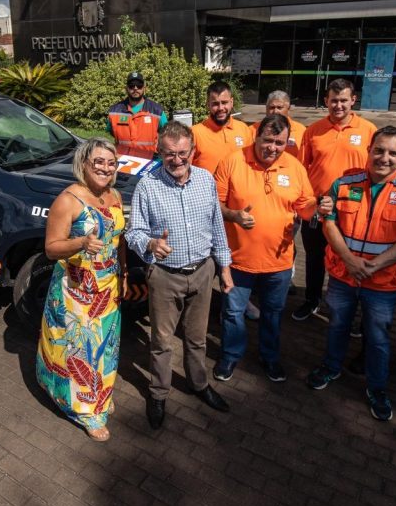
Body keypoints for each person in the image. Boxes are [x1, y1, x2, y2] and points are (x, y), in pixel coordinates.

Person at [306, 126, 396, 421]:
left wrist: (374, 265)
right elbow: (329, 223)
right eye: (379, 150)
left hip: (382, 283)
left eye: (392, 153)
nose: (384, 158)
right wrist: (349, 260)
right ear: (369, 150)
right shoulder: (345, 184)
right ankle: (331, 367)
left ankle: (377, 388)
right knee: (337, 326)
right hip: (342, 276)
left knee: (377, 337)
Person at [125, 121, 234, 430]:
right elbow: (134, 231)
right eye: (169, 153)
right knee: (161, 342)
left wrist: (224, 269)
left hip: (202, 272)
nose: (176, 160)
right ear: (160, 152)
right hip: (164, 276)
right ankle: (159, 393)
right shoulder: (148, 185)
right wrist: (149, 243)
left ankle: (199, 385)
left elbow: (217, 227)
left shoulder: (205, 180)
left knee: (196, 338)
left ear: (193, 152)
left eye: (183, 153)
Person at [212, 114, 331, 383]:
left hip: (279, 263)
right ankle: (230, 356)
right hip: (238, 260)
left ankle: (269, 357)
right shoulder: (232, 161)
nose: (273, 148)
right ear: (256, 136)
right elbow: (214, 205)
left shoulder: (294, 167)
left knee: (273, 314)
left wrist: (318, 207)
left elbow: (304, 206)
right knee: (232, 313)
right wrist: (234, 215)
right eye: (268, 140)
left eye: (279, 142)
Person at [36, 138, 126, 442]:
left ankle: (98, 398)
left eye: (110, 162)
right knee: (82, 353)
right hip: (76, 292)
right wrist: (81, 243)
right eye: (98, 162)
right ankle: (86, 412)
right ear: (84, 164)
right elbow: (51, 249)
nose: (105, 168)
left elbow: (118, 240)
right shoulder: (68, 200)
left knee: (106, 349)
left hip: (107, 288)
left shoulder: (113, 195)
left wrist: (123, 273)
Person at [293, 78, 376, 321]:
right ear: (326, 101)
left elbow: (375, 170)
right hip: (318, 207)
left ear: (353, 100)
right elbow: (300, 169)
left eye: (343, 100)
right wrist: (306, 202)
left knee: (348, 259)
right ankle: (312, 300)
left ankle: (348, 311)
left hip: (352, 209)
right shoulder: (313, 131)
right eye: (333, 101)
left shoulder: (368, 130)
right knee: (315, 257)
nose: (338, 105)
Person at [191, 81, 253, 175]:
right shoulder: (194, 133)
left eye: (224, 102)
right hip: (207, 189)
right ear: (208, 104)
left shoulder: (243, 129)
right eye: (215, 104)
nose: (220, 108)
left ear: (231, 102)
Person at [106, 71, 168, 159]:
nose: (135, 88)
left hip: (149, 162)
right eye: (131, 85)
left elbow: (166, 135)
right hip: (123, 161)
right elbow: (110, 133)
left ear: (144, 88)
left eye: (139, 85)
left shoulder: (157, 111)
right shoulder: (114, 111)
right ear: (126, 88)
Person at [253, 90, 306, 159]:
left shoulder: (301, 130)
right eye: (272, 107)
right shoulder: (253, 129)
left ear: (288, 108)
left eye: (279, 107)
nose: (275, 111)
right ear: (266, 108)